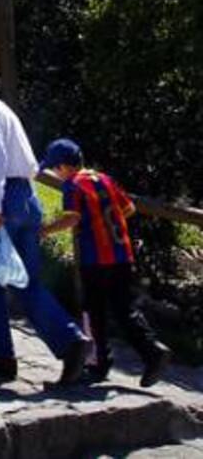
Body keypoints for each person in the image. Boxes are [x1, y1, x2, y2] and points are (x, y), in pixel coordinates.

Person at [0, 64, 90, 385]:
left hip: (5, 199)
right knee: (26, 281)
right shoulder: (1, 109)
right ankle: (70, 341)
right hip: (27, 197)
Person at [38, 138, 171, 386]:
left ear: (64, 166)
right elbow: (128, 208)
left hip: (95, 258)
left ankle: (99, 362)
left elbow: (72, 218)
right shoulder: (105, 179)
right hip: (121, 255)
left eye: (56, 167)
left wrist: (45, 230)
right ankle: (153, 350)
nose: (56, 172)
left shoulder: (73, 185)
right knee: (124, 309)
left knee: (93, 310)